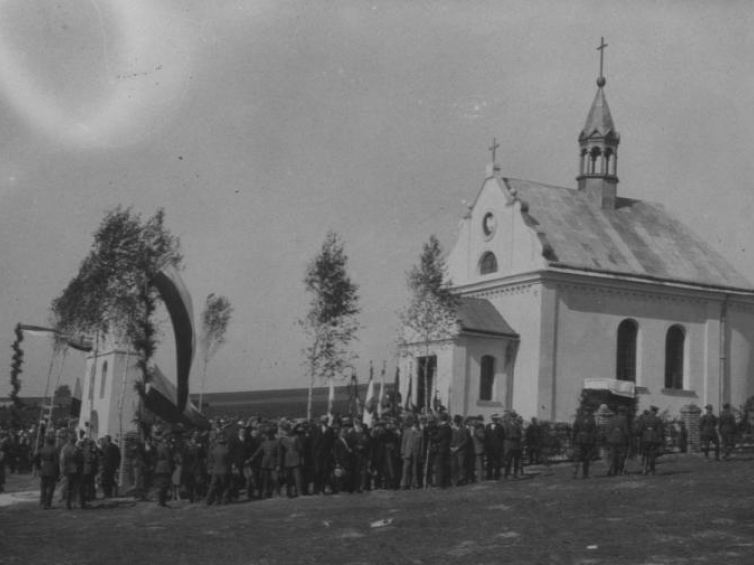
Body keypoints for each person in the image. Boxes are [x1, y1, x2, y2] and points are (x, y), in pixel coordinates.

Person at [571, 407, 597, 479]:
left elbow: (574, 430)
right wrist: (593, 441)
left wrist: (573, 440)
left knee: (577, 457)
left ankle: (575, 473)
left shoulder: (578, 419)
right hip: (587, 440)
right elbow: (594, 431)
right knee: (586, 458)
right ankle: (584, 474)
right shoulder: (592, 420)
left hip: (578, 439)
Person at [36, 434, 59, 509]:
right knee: (51, 487)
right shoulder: (54, 449)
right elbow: (56, 462)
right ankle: (47, 503)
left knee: (43, 487)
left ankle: (42, 502)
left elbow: (35, 458)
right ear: (53, 442)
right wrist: (57, 473)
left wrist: (38, 467)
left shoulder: (42, 449)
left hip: (44, 468)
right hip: (51, 469)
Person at [639, 406, 664, 475]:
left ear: (650, 411)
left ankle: (644, 469)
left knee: (645, 454)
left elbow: (640, 429)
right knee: (652, 455)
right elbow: (660, 431)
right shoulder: (658, 419)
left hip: (645, 438)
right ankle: (652, 470)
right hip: (654, 439)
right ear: (655, 412)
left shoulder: (644, 418)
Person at [606, 406, 631, 476]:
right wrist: (629, 439)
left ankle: (612, 470)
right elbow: (626, 431)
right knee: (621, 456)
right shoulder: (624, 419)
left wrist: (609, 438)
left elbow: (608, 429)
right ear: (623, 412)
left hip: (612, 440)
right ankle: (620, 470)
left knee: (613, 456)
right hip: (621, 440)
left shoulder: (612, 418)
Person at [60, 433, 82, 510]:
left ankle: (67, 504)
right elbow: (80, 460)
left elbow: (62, 460)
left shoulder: (64, 448)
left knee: (67, 487)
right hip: (75, 470)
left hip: (66, 470)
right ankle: (73, 503)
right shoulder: (76, 449)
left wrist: (62, 470)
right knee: (74, 487)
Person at [153, 431, 174, 507]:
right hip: (164, 467)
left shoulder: (161, 445)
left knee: (163, 485)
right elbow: (168, 457)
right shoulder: (164, 445)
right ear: (166, 437)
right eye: (169, 436)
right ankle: (161, 502)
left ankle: (162, 502)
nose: (171, 438)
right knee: (163, 485)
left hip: (161, 466)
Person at [503, 412, 524, 479]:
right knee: (508, 461)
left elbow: (520, 434)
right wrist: (513, 436)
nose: (513, 418)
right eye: (512, 416)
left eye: (514, 417)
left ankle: (515, 474)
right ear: (510, 417)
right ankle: (507, 474)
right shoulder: (506, 425)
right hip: (509, 445)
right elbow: (504, 435)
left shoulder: (517, 425)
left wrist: (518, 436)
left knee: (516, 461)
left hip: (516, 445)